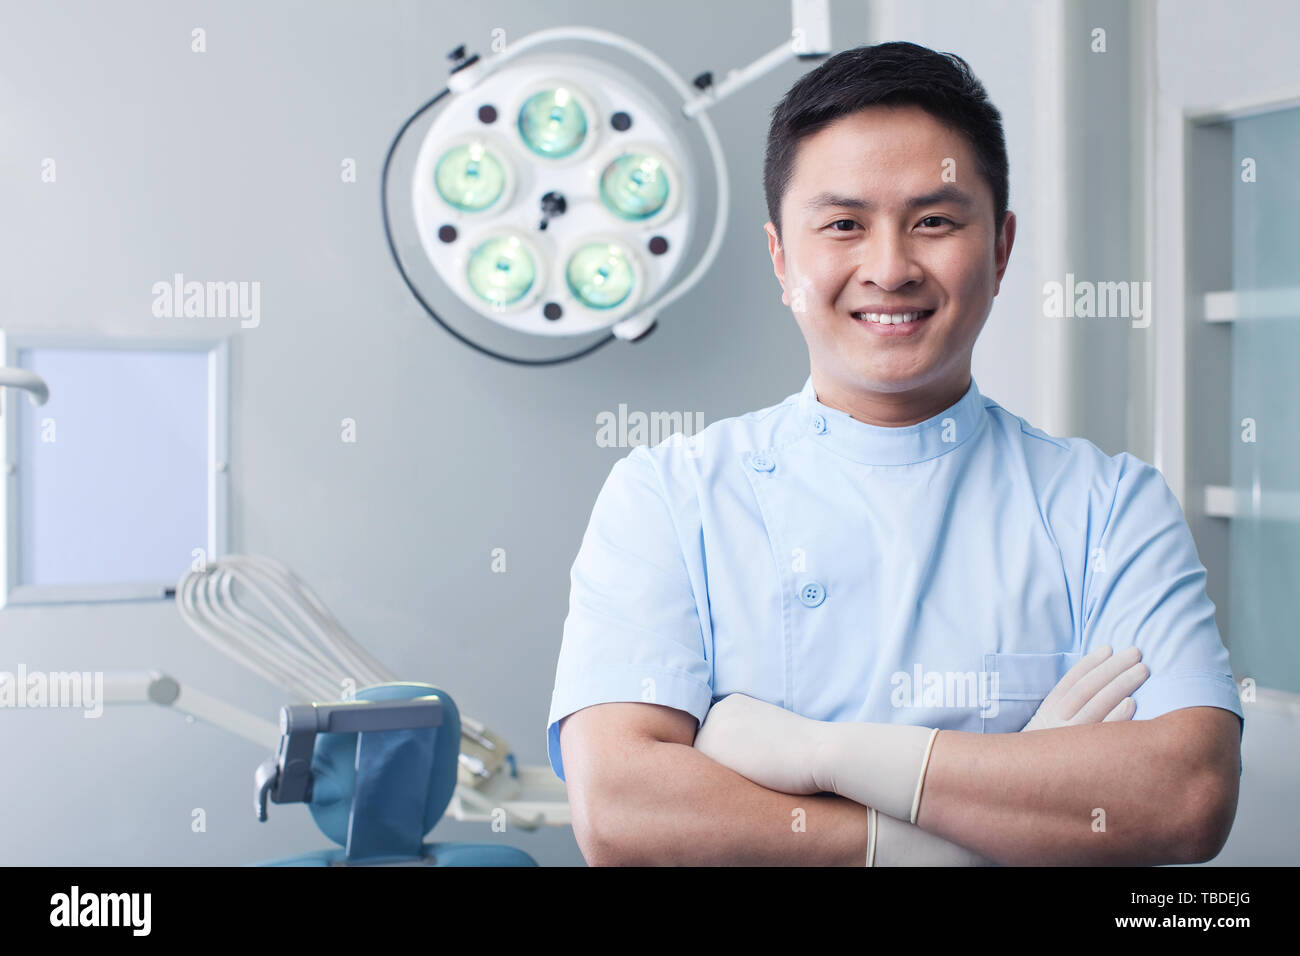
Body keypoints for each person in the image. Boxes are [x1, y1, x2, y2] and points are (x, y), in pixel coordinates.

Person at [546, 41, 1243, 866]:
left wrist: (818, 753)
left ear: (1002, 248)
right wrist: (985, 815)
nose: (890, 267)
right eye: (843, 224)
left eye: (935, 222)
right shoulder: (668, 496)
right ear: (781, 258)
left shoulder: (1109, 506)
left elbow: (1185, 796)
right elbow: (625, 814)